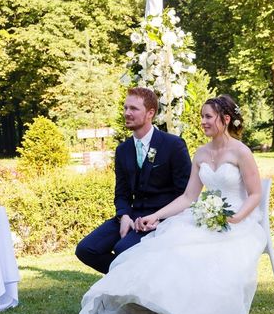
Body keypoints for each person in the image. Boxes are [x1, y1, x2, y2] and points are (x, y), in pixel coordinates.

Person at [77, 95, 268, 314]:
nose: (203, 121)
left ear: (226, 119)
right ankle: (157, 303)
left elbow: (255, 194)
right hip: (207, 216)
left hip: (239, 221)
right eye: (202, 116)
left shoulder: (241, 152)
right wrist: (156, 216)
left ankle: (181, 309)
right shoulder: (201, 153)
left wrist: (236, 218)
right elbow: (188, 198)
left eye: (208, 116)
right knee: (171, 243)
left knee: (196, 251)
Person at [75, 87, 192, 274]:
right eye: (125, 108)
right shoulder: (123, 150)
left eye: (134, 109)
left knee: (123, 249)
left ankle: (138, 280)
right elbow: (121, 193)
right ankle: (135, 278)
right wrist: (124, 216)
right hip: (131, 215)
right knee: (86, 249)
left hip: (162, 219)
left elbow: (185, 194)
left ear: (150, 113)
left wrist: (159, 218)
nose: (127, 113)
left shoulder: (173, 145)